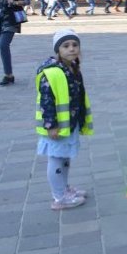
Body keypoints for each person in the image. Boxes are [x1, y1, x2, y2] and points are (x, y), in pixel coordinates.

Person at [36, 29, 93, 209]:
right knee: (56, 159)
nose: (71, 49)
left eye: (75, 45)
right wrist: (51, 125)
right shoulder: (52, 72)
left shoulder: (72, 68)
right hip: (57, 127)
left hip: (69, 123)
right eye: (66, 46)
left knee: (64, 157)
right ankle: (59, 198)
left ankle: (64, 188)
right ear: (58, 50)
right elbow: (46, 101)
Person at [0, 0, 30, 86]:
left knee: (3, 44)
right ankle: (9, 75)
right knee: (2, 46)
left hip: (10, 19)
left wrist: (15, 2)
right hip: (0, 20)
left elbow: (27, 0)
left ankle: (8, 75)